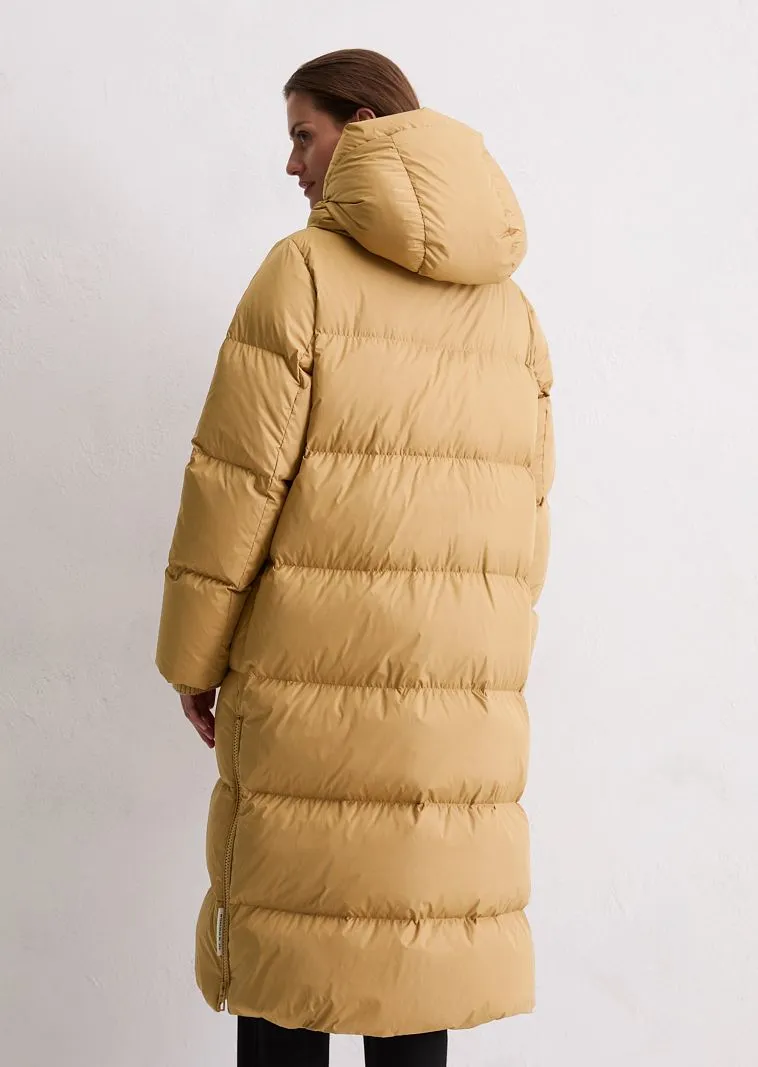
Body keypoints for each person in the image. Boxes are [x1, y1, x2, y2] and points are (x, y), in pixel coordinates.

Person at [155, 47, 554, 1067]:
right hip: (457, 706)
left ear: (364, 127)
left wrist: (193, 660)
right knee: (414, 964)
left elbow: (234, 488)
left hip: (308, 695)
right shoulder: (510, 312)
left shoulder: (301, 274)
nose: (291, 163)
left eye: (304, 135)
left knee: (288, 963)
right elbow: (529, 517)